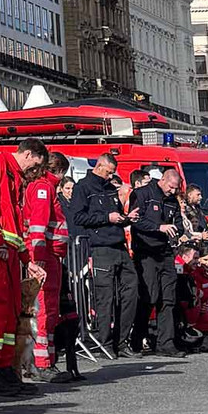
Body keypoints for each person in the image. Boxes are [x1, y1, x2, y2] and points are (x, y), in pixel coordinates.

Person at [0, 137, 48, 395]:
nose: (35, 172)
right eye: (36, 165)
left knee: (10, 311)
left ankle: (5, 368)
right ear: (28, 154)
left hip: (8, 249)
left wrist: (27, 260)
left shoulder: (15, 175)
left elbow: (15, 223)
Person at [70, 152, 137, 355]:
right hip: (100, 247)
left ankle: (122, 340)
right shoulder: (83, 188)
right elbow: (78, 217)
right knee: (104, 297)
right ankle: (104, 343)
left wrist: (126, 218)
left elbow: (115, 215)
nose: (110, 177)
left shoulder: (110, 189)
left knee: (131, 291)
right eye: (108, 172)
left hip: (118, 244)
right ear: (99, 167)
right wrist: (106, 217)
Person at [21, 152, 74, 380]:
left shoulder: (44, 187)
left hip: (50, 257)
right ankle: (42, 363)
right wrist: (39, 257)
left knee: (49, 311)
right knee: (43, 311)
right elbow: (38, 228)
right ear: (60, 171)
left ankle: (47, 361)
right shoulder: (44, 189)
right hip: (46, 257)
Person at [130, 166, 185, 356]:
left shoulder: (172, 200)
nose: (173, 191)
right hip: (146, 252)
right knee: (148, 297)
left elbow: (178, 223)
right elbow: (137, 221)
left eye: (175, 188)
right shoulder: (143, 194)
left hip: (165, 252)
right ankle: (137, 340)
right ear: (162, 180)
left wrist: (175, 230)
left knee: (168, 299)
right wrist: (159, 227)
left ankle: (166, 343)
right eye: (170, 187)